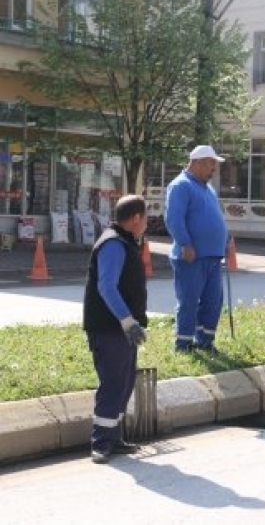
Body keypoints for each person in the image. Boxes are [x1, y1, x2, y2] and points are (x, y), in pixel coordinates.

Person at [83, 194, 149, 464]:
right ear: (135, 218)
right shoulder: (113, 244)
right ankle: (100, 442)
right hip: (111, 328)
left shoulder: (125, 241)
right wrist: (127, 321)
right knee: (112, 383)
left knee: (124, 383)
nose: (146, 222)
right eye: (145, 217)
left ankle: (114, 437)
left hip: (122, 328)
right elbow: (106, 287)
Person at [164, 145, 229, 352]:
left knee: (213, 301)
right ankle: (183, 343)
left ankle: (205, 341)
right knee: (189, 301)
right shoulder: (181, 185)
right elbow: (174, 218)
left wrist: (224, 238)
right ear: (197, 162)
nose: (214, 169)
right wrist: (185, 243)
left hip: (212, 255)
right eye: (211, 164)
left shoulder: (208, 188)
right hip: (191, 255)